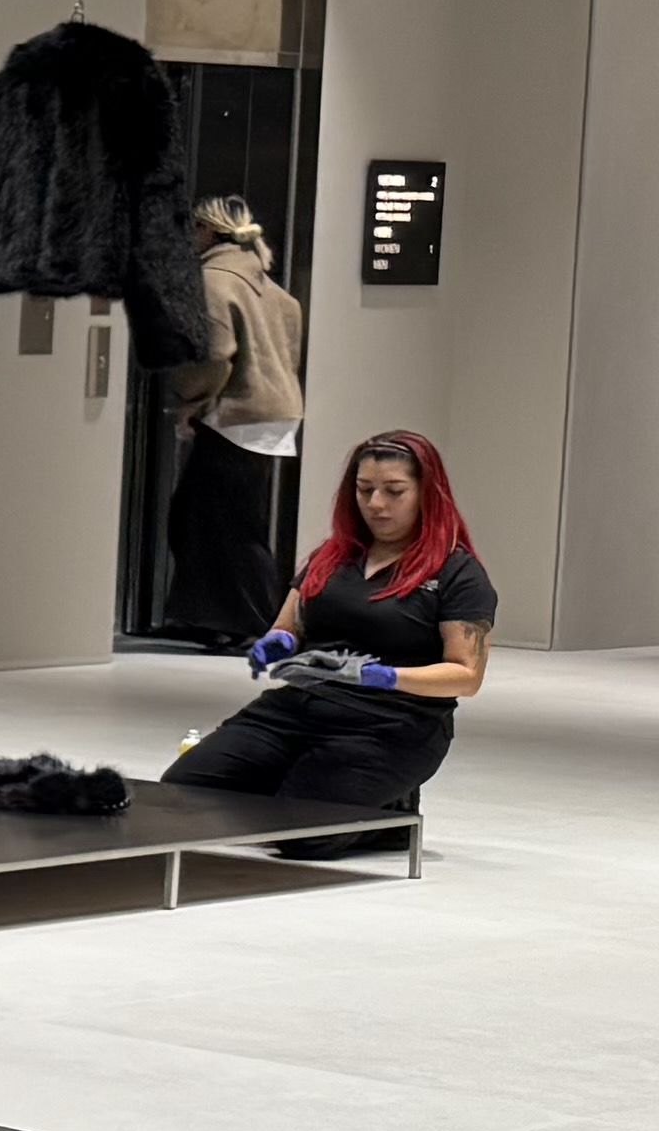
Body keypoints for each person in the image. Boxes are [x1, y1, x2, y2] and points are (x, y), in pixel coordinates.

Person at [167, 429, 490, 812]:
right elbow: (289, 625)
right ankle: (295, 785)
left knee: (303, 833)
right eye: (364, 489)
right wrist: (280, 642)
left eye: (394, 491)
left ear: (426, 493)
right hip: (298, 708)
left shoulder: (457, 573)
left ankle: (390, 811)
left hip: (389, 724)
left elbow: (466, 676)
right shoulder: (331, 557)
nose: (376, 503)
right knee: (179, 794)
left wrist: (385, 677)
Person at [159, 194, 303, 646]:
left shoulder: (212, 281)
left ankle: (249, 622)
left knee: (221, 523)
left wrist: (190, 396)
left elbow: (214, 356)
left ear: (208, 231)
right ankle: (214, 617)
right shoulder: (268, 286)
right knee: (218, 517)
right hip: (272, 413)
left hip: (234, 412)